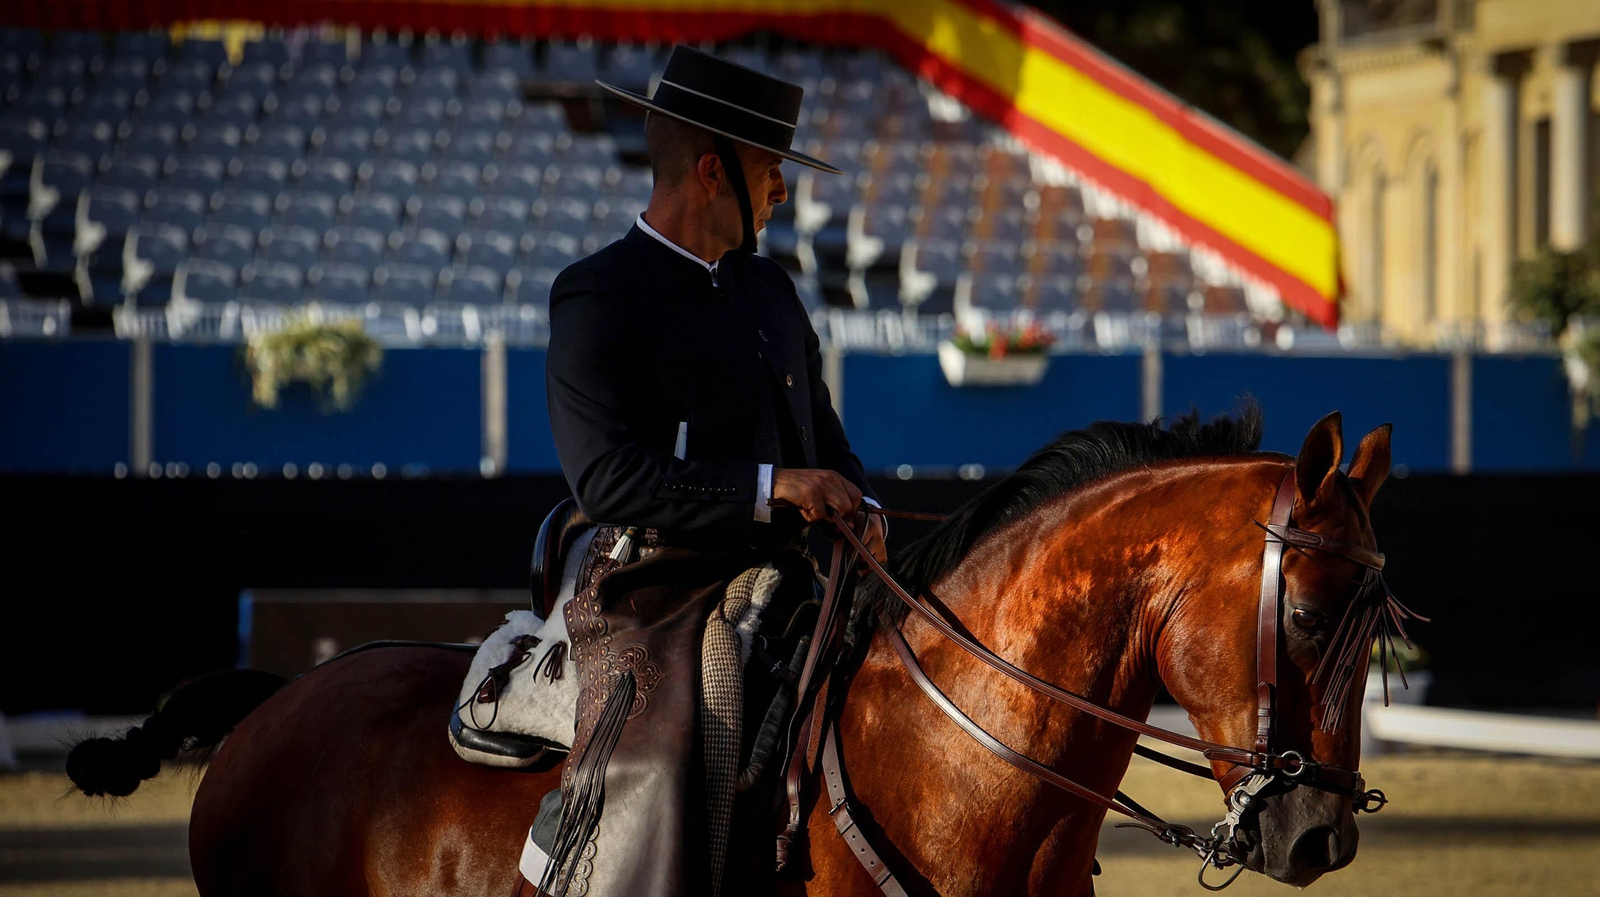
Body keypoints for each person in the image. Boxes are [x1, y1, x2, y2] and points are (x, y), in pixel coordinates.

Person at [518, 46, 885, 897]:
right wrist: (772, 488)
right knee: (686, 732)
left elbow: (825, 441)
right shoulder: (597, 295)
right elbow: (606, 481)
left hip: (798, 573)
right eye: (771, 169)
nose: (782, 190)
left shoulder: (771, 291)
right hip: (655, 585)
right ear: (714, 172)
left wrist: (855, 497)